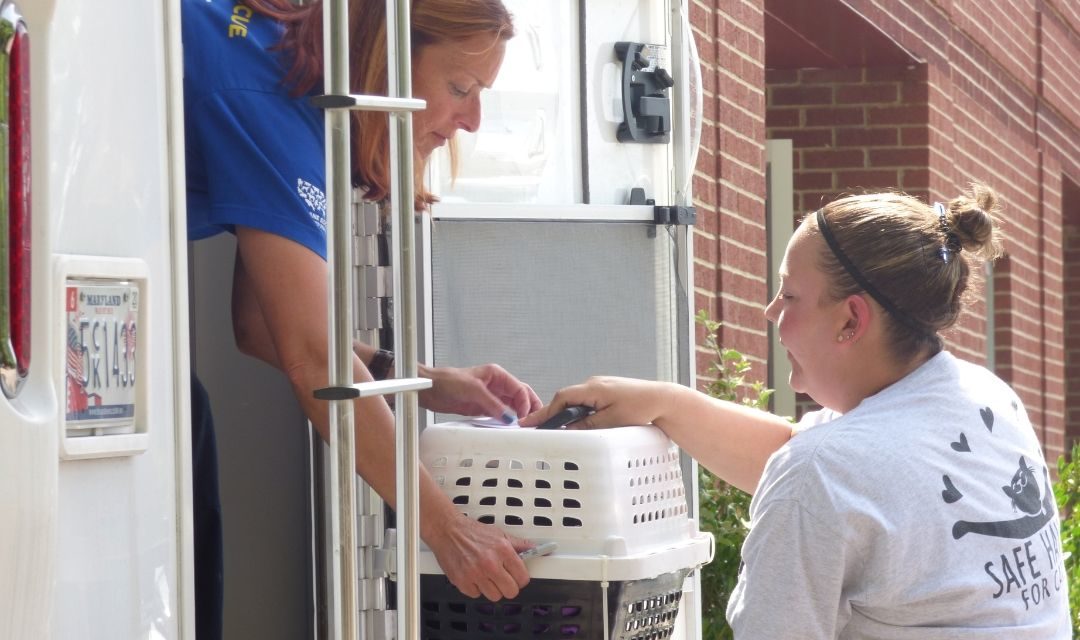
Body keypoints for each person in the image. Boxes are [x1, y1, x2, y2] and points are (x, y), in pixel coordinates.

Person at [521, 184, 1071, 638]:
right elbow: (817, 471)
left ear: (851, 320)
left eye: (788, 295)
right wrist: (666, 403)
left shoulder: (828, 470)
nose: (768, 311)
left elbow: (818, 480)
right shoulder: (986, 398)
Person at [182, 0, 543, 637]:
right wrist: (446, 528)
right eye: (459, 87)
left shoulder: (282, 66)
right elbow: (311, 354)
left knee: (188, 417)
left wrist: (426, 381)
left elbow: (261, 324)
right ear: (386, 56)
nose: (472, 120)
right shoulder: (265, 91)